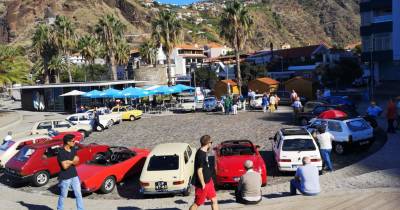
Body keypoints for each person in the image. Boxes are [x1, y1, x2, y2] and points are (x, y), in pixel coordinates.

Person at [190, 135, 219, 210]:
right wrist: (203, 184)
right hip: (203, 184)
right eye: (211, 142)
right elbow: (199, 171)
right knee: (197, 203)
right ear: (208, 143)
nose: (211, 144)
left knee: (214, 200)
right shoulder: (201, 155)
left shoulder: (204, 151)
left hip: (209, 181)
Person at [57, 134, 84, 210]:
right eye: (73, 141)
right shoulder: (61, 152)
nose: (74, 142)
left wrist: (69, 161)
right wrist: (72, 162)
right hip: (65, 177)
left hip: (74, 175)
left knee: (78, 194)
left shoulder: (73, 149)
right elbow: (64, 167)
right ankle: (60, 208)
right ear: (67, 142)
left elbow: (77, 161)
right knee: (63, 195)